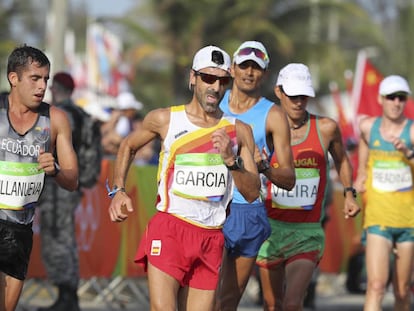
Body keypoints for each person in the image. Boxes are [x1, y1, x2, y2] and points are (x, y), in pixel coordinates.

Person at [107, 45, 261, 311]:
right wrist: (118, 190)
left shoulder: (239, 131)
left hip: (211, 237)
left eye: (222, 80)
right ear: (193, 78)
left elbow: (251, 192)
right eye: (207, 78)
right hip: (171, 229)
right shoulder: (165, 119)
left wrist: (230, 161)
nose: (214, 86)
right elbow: (128, 146)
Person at [256, 63, 360, 311]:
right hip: (270, 229)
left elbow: (343, 160)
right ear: (279, 92)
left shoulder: (326, 128)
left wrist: (349, 193)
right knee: (273, 305)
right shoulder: (263, 128)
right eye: (293, 96)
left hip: (307, 230)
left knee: (292, 303)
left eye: (304, 96)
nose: (299, 102)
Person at [216, 41, 295, 311]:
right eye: (244, 66)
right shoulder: (213, 99)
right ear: (233, 68)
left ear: (265, 73)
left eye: (256, 68)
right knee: (204, 295)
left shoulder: (273, 115)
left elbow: (289, 177)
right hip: (210, 202)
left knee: (228, 300)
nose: (249, 72)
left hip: (246, 207)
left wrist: (265, 168)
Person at [0, 46, 78, 311]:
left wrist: (55, 169)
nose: (42, 85)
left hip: (19, 230)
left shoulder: (55, 119)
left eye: (45, 78)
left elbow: (72, 180)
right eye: (35, 78)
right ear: (14, 78)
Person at [354, 75, 414, 311]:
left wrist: (407, 152)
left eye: (401, 97)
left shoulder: (411, 132)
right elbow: (364, 144)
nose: (396, 102)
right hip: (378, 218)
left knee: (402, 291)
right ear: (381, 99)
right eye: (391, 97)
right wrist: (360, 172)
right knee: (376, 285)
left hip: (408, 221)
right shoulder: (369, 127)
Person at [37, 72, 84, 311]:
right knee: (65, 240)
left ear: (57, 88)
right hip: (72, 182)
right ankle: (67, 296)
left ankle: (67, 297)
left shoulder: (61, 116)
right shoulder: (81, 113)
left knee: (58, 240)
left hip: (59, 184)